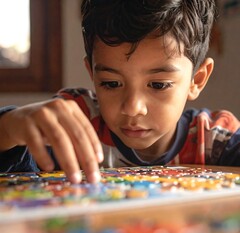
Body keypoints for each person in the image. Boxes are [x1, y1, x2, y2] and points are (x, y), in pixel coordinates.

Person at [0, 0, 239, 184]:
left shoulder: (216, 140)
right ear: (92, 74)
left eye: (158, 85)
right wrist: (9, 128)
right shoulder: (73, 122)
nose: (133, 107)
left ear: (196, 80)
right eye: (111, 83)